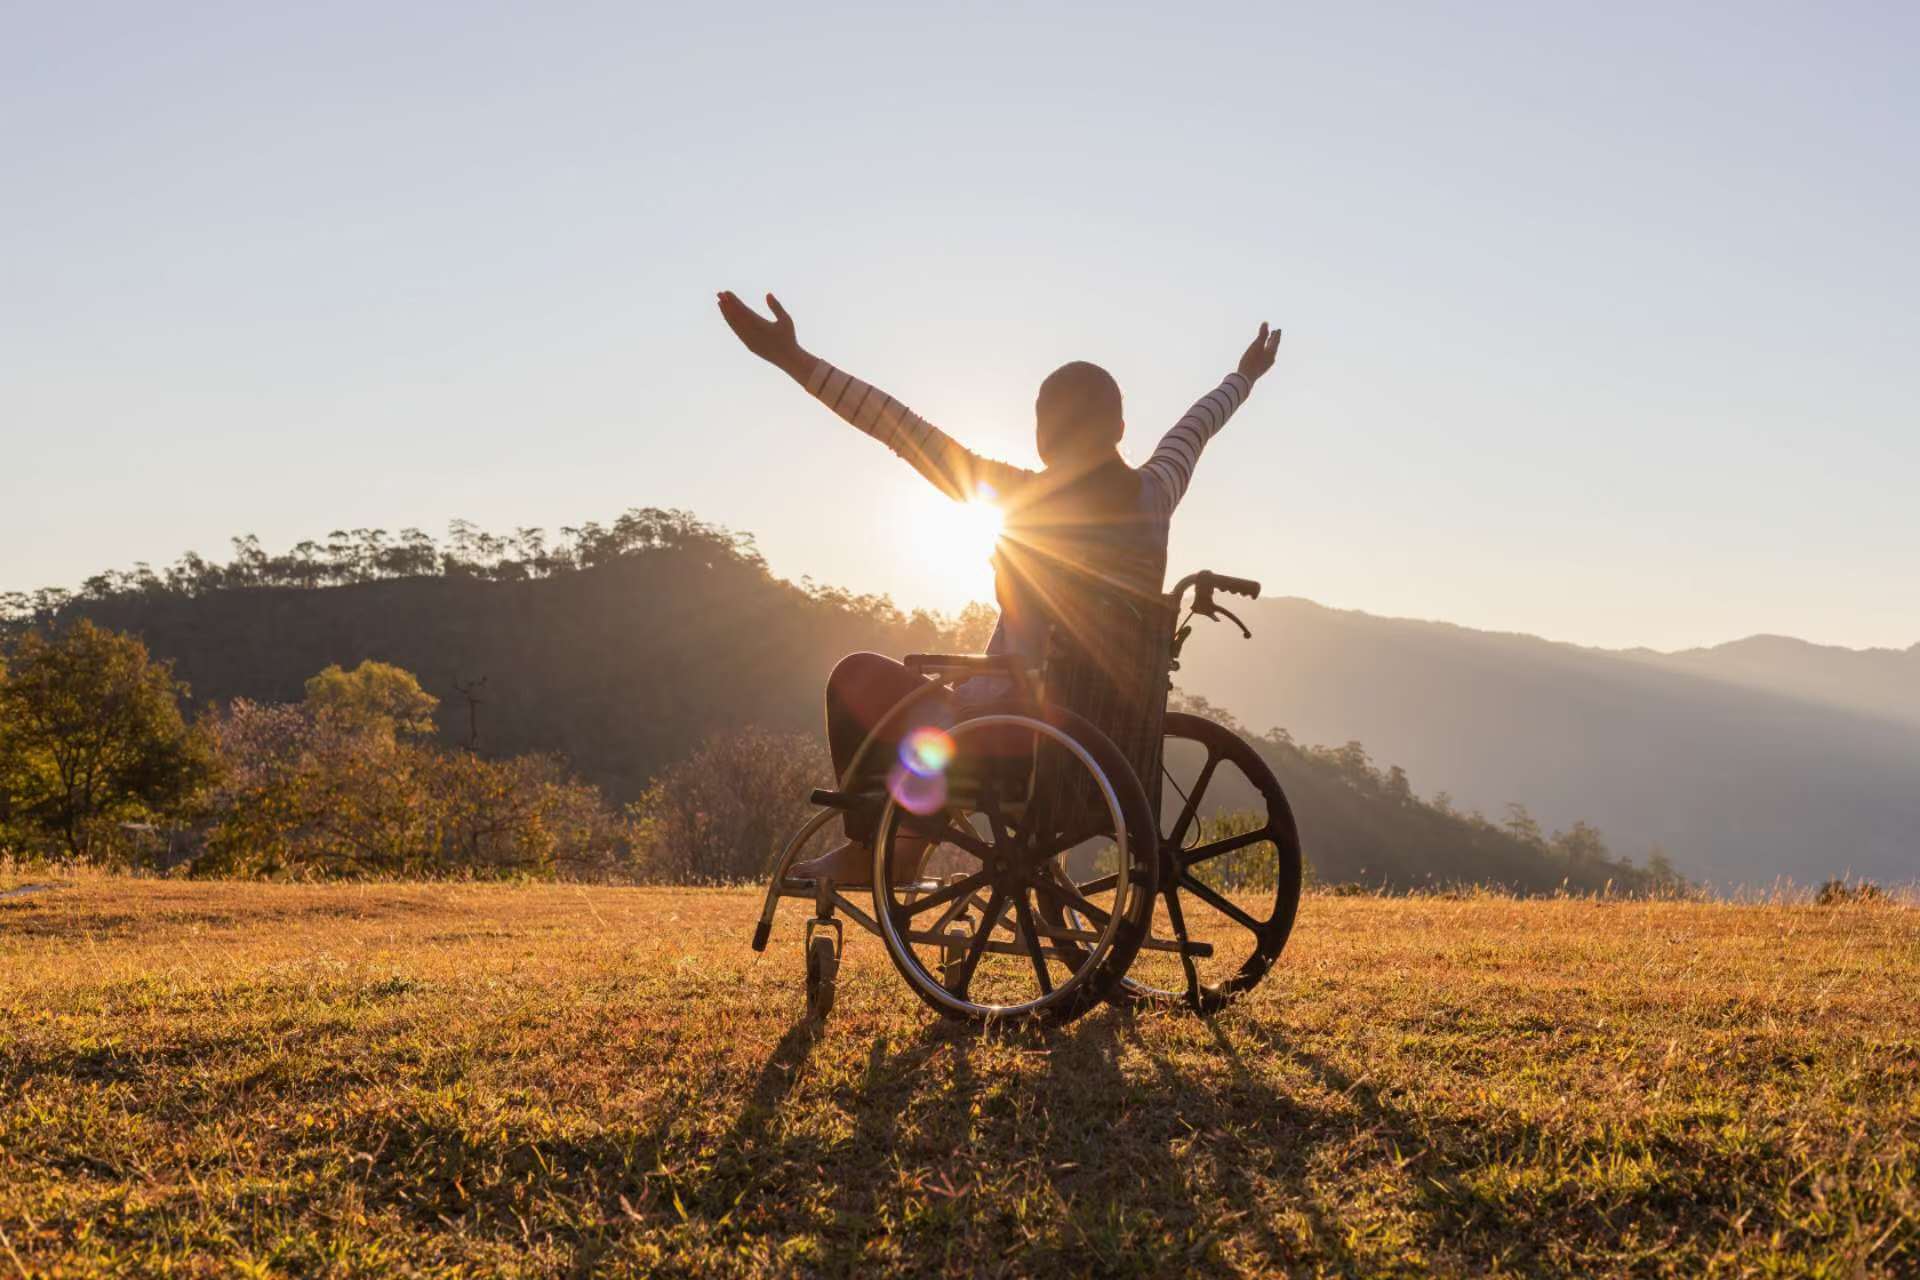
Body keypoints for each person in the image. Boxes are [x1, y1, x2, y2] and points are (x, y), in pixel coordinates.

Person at [716, 289, 1282, 885]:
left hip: (1011, 739)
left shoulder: (1016, 495)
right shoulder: (1157, 494)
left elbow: (896, 427)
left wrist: (792, 360)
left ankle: (885, 850)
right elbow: (1195, 429)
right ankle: (1007, 855)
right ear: (1119, 427)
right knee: (973, 697)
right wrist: (1244, 375)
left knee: (858, 675)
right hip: (1112, 744)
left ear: (1042, 438)